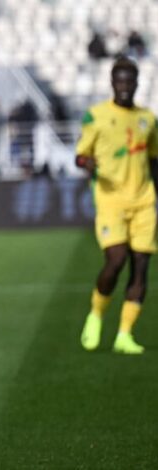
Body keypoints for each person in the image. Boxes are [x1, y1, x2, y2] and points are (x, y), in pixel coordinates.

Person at [77, 56, 158, 354]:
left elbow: (154, 160)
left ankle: (125, 334)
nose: (124, 86)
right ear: (112, 83)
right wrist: (87, 163)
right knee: (116, 259)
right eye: (120, 81)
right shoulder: (96, 116)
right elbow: (80, 155)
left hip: (144, 201)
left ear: (136, 83)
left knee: (141, 267)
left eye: (129, 81)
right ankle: (96, 314)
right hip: (111, 200)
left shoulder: (148, 118)